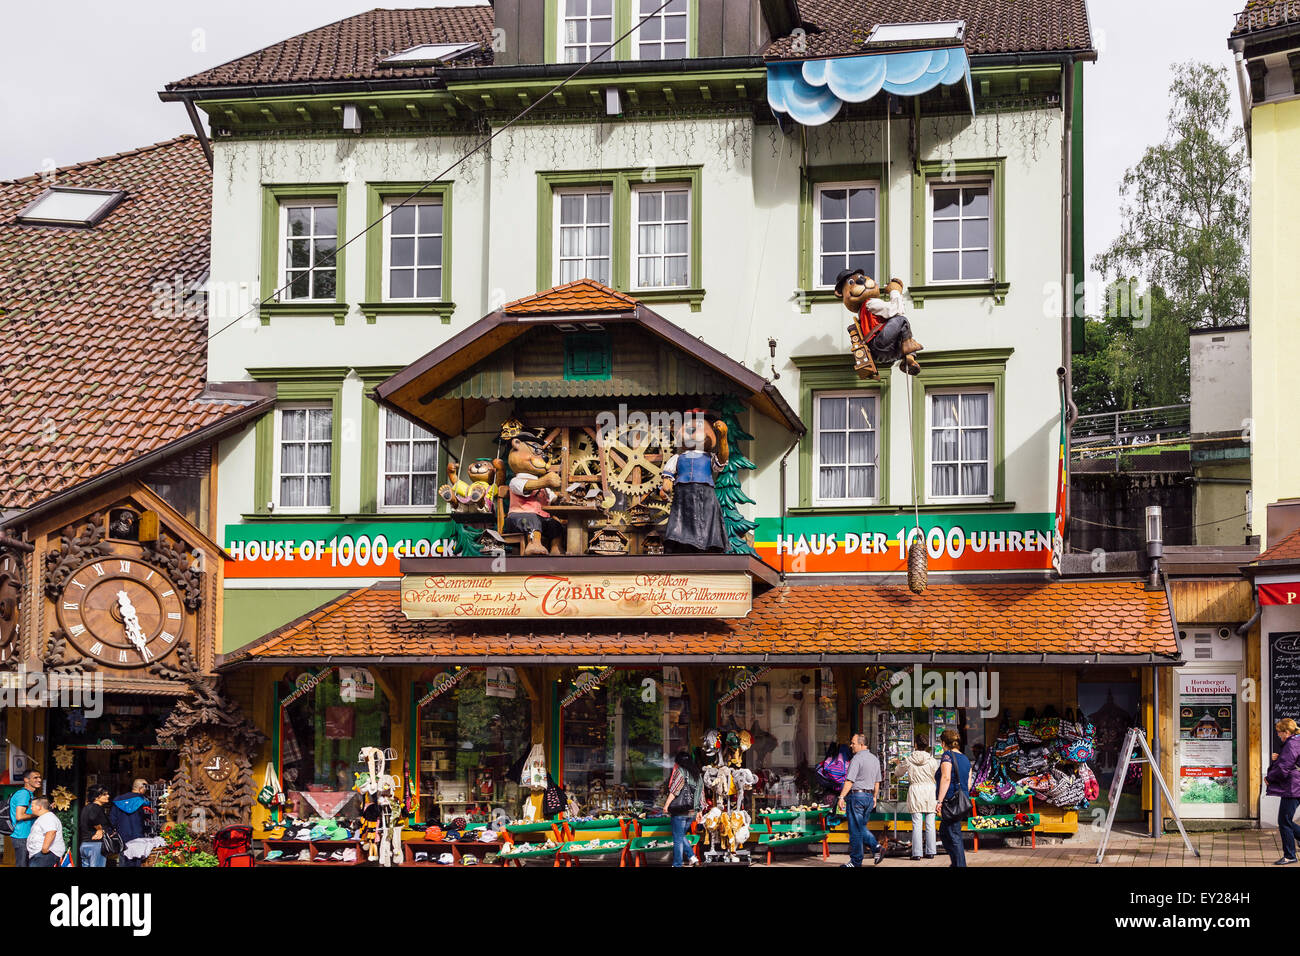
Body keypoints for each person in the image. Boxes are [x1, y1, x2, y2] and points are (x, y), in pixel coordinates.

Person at [835, 733, 883, 867]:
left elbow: (850, 780)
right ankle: (873, 850)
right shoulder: (874, 759)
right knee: (860, 828)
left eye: (853, 743)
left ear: (862, 744)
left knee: (856, 830)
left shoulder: (857, 759)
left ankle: (859, 859)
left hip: (857, 797)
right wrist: (874, 797)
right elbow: (877, 781)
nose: (851, 745)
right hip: (868, 798)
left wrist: (841, 796)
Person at [1266, 717, 1300, 864]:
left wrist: (1270, 778)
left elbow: (1284, 768)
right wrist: (1280, 758)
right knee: (1285, 819)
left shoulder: (1291, 744)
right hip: (1297, 785)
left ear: (1286, 732)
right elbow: (1292, 761)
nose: (1278, 735)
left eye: (1279, 732)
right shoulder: (1297, 741)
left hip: (1294, 787)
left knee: (1284, 821)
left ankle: (1290, 855)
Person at [935, 729, 971, 867]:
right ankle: (956, 863)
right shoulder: (965, 758)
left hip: (951, 800)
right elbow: (968, 782)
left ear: (943, 743)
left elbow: (946, 777)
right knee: (945, 832)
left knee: (954, 835)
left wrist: (940, 801)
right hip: (962, 799)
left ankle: (960, 864)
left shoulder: (947, 756)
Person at [662, 750, 702, 867]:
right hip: (691, 812)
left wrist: (666, 805)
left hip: (680, 811)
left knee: (678, 839)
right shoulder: (697, 774)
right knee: (680, 835)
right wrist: (699, 811)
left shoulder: (681, 772)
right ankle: (692, 857)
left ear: (679, 762)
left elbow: (674, 791)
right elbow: (700, 794)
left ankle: (677, 864)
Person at [905, 737, 939, 860]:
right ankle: (931, 851)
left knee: (917, 823)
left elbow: (898, 772)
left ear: (915, 744)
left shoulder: (909, 759)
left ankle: (917, 853)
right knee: (930, 822)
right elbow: (937, 776)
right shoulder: (932, 761)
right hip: (930, 791)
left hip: (915, 791)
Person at [110, 779, 153, 867]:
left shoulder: (118, 801)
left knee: (124, 860)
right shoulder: (144, 801)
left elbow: (112, 820)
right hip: (138, 836)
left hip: (122, 837)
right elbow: (149, 818)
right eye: (146, 788)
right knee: (137, 861)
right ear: (141, 788)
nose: (146, 790)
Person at [7, 768, 42, 867]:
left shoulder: (29, 794)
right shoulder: (24, 794)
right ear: (26, 780)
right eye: (35, 777)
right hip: (21, 836)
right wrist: (38, 814)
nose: (39, 780)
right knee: (22, 865)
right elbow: (19, 816)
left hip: (25, 836)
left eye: (39, 777)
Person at [25, 797, 65, 867]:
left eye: (32, 806)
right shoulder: (44, 817)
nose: (31, 808)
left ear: (39, 807)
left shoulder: (48, 817)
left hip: (43, 856)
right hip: (40, 855)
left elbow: (51, 832)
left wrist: (44, 849)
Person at [78, 786, 112, 868]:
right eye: (104, 794)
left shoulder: (86, 808)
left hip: (85, 844)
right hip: (96, 846)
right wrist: (100, 829)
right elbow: (92, 818)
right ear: (96, 797)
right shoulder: (95, 807)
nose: (108, 796)